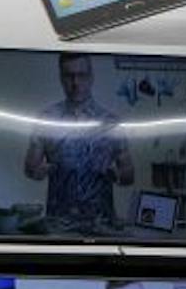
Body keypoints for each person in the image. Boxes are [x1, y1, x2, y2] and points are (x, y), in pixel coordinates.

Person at [23, 52, 135, 236]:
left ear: (91, 77)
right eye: (69, 76)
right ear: (61, 77)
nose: (75, 83)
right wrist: (38, 171)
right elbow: (30, 170)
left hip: (101, 225)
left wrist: (117, 173)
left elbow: (129, 176)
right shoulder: (46, 119)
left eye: (81, 75)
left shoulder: (110, 122)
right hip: (59, 226)